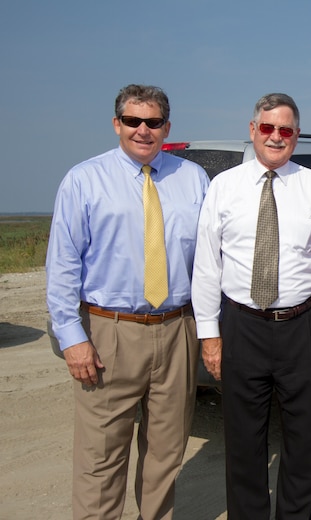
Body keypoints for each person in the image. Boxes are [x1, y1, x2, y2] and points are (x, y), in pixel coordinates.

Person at [46, 84, 210, 520]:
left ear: (166, 127)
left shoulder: (193, 179)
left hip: (177, 329)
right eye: (133, 121)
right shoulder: (84, 179)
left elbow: (210, 261)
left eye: (153, 122)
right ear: (117, 123)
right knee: (101, 456)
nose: (143, 130)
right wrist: (71, 337)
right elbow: (62, 265)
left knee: (166, 451)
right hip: (108, 332)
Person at [191, 93, 311, 520]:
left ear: (296, 136)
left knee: (305, 438)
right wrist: (209, 335)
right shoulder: (224, 187)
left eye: (285, 130)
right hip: (242, 326)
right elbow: (206, 265)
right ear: (252, 131)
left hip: (301, 324)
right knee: (244, 440)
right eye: (267, 128)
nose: (275, 137)